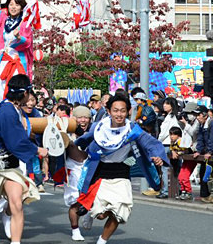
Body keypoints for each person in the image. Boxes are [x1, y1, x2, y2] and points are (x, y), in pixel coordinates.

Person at [72, 94, 169, 244]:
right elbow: (86, 139)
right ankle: (89, 214)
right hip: (100, 173)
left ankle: (102, 241)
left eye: (123, 111)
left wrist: (157, 155)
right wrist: (72, 146)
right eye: (115, 110)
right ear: (109, 111)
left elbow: (150, 143)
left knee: (120, 212)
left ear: (128, 111)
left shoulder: (132, 129)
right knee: (101, 214)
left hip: (121, 173)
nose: (119, 114)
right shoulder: (99, 127)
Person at [0, 74, 47, 244]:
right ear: (25, 92)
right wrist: (37, 149)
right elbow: (16, 142)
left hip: (12, 168)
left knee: (17, 204)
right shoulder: (7, 110)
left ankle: (15, 242)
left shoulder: (11, 107)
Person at [0, 0, 36, 94]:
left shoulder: (25, 24)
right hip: (5, 59)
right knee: (2, 87)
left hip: (18, 61)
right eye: (11, 4)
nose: (13, 7)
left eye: (17, 5)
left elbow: (28, 43)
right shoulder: (4, 19)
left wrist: (19, 37)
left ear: (22, 8)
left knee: (16, 91)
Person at [65, 106, 94, 241]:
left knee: (95, 196)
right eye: (80, 117)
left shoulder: (95, 132)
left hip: (90, 166)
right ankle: (75, 230)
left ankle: (89, 212)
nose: (83, 120)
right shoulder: (66, 132)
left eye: (86, 117)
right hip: (72, 168)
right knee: (75, 200)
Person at [193, 104, 213, 203]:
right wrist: (198, 150)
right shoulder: (202, 124)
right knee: (211, 174)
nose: (197, 117)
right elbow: (200, 138)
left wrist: (210, 151)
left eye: (198, 115)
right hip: (208, 153)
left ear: (205, 115)